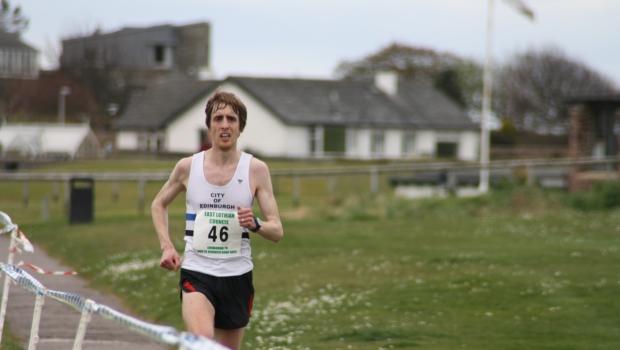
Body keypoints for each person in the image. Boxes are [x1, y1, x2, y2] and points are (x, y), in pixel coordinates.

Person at [151, 91, 284, 349]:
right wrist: (166, 245)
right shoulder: (188, 167)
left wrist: (255, 223)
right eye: (218, 118)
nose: (224, 124)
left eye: (231, 119)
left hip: (238, 275)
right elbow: (158, 204)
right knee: (203, 344)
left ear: (240, 127)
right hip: (198, 271)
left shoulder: (256, 169)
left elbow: (277, 230)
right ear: (209, 125)